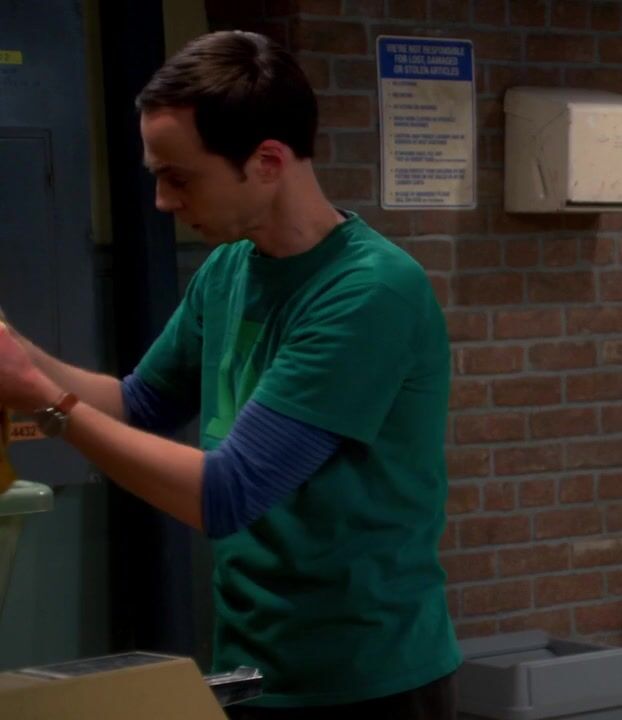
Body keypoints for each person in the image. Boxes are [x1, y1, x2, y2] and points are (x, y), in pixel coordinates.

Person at [0, 31, 458, 718]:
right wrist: (15, 352)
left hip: (365, 679)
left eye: (180, 177)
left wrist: (45, 401)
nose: (162, 200)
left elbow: (228, 493)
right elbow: (136, 404)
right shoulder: (227, 269)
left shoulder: (369, 292)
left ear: (267, 161)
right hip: (251, 661)